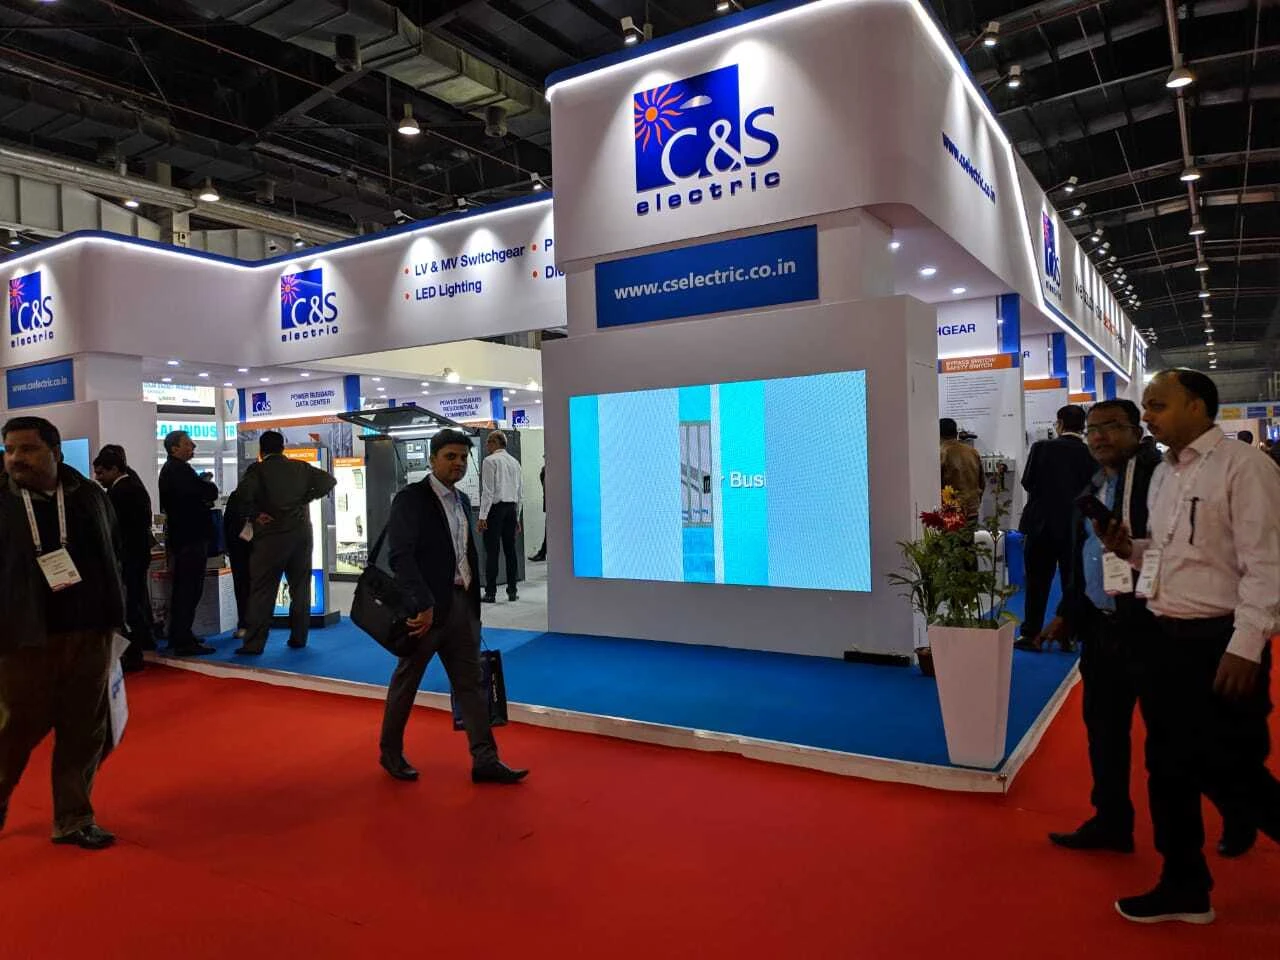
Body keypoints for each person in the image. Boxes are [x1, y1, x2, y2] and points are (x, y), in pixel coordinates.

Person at [1100, 369, 1280, 924]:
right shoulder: (1164, 473)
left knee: (1232, 769)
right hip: (1165, 639)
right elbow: (1166, 552)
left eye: (1158, 405)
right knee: (1166, 766)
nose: (1147, 415)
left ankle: (1194, 872)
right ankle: (1184, 884)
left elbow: (1266, 564)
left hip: (1219, 642)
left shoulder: (1245, 467)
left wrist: (1246, 645)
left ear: (1197, 407)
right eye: (1146, 406)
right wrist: (1130, 551)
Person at [1040, 400, 1248, 857]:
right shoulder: (1094, 483)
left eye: (1112, 427)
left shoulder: (1164, 477)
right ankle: (1111, 821)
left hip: (1156, 627)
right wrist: (1069, 611)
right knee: (1104, 731)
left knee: (1181, 739)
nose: (1100, 437)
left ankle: (1238, 813)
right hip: (1102, 626)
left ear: (1137, 431)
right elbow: (1082, 555)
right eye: (1093, 429)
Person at [0, 417, 126, 850]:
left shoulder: (89, 495)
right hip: (21, 638)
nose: (16, 458)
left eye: (27, 449)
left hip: (89, 634)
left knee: (85, 731)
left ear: (55, 452)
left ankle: (74, 818)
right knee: (12, 731)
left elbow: (113, 554)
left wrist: (115, 618)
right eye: (10, 450)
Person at [379, 429, 527, 786]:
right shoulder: (411, 499)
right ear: (432, 459)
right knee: (407, 682)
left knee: (471, 684)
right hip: (426, 612)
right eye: (450, 456)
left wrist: (473, 605)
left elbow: (464, 554)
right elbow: (400, 556)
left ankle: (485, 760)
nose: (458, 463)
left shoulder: (461, 499)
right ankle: (391, 752)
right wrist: (422, 604)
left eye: (463, 457)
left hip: (461, 606)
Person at [232, 431, 336, 655]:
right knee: (301, 587)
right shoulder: (300, 467)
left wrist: (256, 513)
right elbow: (329, 481)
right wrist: (305, 498)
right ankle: (299, 637)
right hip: (301, 535)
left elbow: (242, 496)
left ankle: (254, 644)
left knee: (262, 590)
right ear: (283, 448)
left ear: (261, 450)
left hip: (271, 538)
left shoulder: (257, 470)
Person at [1015, 405, 1096, 651]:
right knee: (1073, 581)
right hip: (1075, 527)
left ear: (1059, 423)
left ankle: (1031, 634)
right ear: (1083, 426)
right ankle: (1068, 634)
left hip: (1040, 524)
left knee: (1037, 581)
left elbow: (1027, 482)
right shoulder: (1090, 453)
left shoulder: (1041, 448)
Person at [93, 446, 155, 673]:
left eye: (101, 472)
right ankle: (141, 644)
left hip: (128, 556)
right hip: (135, 555)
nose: (98, 478)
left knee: (129, 605)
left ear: (115, 469)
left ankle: (133, 653)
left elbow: (117, 530)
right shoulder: (132, 487)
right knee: (135, 601)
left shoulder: (121, 493)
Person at [158, 430, 217, 656]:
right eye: (188, 444)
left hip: (184, 538)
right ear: (174, 448)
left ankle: (180, 634)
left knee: (185, 589)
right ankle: (182, 639)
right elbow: (206, 492)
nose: (193, 446)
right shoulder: (178, 471)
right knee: (188, 589)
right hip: (190, 538)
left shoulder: (174, 470)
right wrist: (205, 486)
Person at [478, 430, 523, 603]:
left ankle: (490, 592)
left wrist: (482, 516)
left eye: (489, 442)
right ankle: (512, 591)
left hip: (495, 510)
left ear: (495, 443)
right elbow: (520, 492)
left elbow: (488, 491)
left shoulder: (489, 461)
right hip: (511, 509)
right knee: (510, 551)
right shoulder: (515, 462)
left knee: (492, 552)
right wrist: (517, 517)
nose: (486, 445)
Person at [222, 486, 253, 640]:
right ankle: (250, 624)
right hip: (250, 548)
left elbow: (226, 522)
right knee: (250, 587)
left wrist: (227, 545)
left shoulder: (236, 495)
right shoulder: (264, 494)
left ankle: (245, 625)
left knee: (242, 587)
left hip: (240, 548)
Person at [939, 418, 985, 522]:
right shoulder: (972, 452)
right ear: (956, 433)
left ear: (938, 434)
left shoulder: (941, 453)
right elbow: (982, 482)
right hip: (972, 508)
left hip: (952, 511)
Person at [529, 462, 546, 563]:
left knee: (548, 530)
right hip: (550, 504)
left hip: (554, 505)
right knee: (548, 530)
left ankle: (542, 553)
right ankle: (542, 553)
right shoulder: (545, 470)